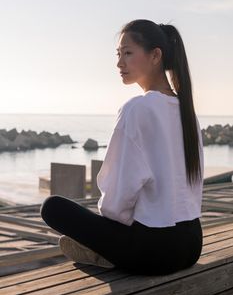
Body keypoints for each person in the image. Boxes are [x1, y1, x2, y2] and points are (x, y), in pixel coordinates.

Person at [41, 19, 204, 275]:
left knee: (52, 207)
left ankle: (104, 252)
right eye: (118, 54)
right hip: (193, 243)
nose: (119, 63)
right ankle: (105, 250)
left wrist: (113, 231)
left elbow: (116, 199)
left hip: (156, 252)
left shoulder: (138, 108)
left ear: (155, 56)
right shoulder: (187, 112)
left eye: (127, 53)